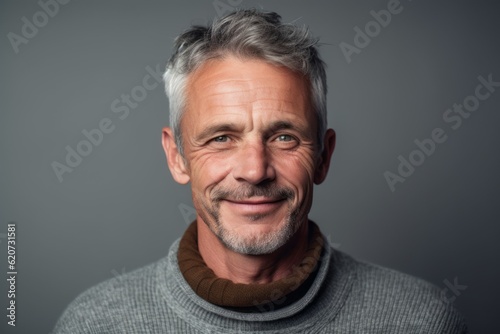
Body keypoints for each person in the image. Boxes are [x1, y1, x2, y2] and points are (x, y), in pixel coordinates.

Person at [53, 9, 467, 333]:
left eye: (284, 137)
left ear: (323, 156)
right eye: (221, 138)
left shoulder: (422, 321)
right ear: (176, 156)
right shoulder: (95, 324)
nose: (255, 170)